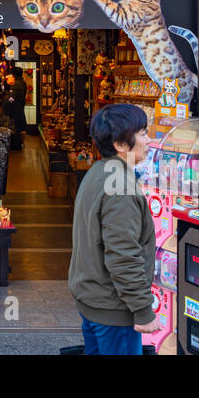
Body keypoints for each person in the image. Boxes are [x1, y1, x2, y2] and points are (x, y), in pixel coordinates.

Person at [67, 103, 156, 355]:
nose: (148, 140)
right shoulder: (121, 187)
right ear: (120, 144)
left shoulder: (98, 171)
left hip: (93, 299)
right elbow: (123, 254)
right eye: (142, 133)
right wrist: (142, 310)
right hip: (114, 310)